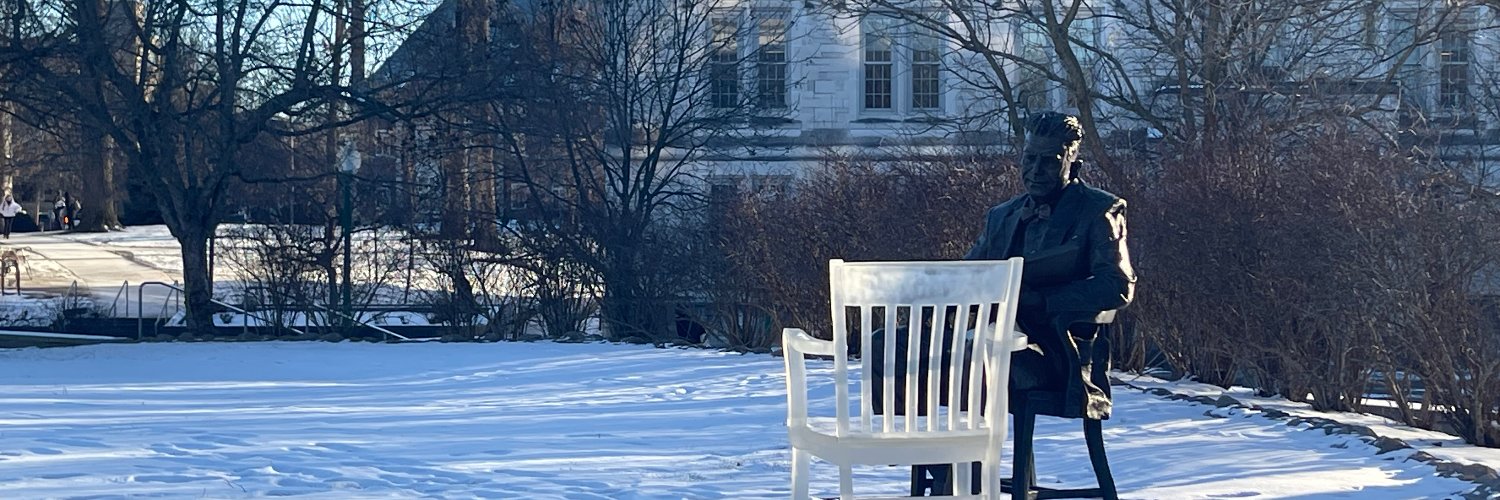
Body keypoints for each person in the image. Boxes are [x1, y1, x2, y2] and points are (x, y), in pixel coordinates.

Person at [871, 112, 1136, 492]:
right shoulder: (1003, 216)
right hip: (990, 343)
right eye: (1030, 158)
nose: (1036, 169)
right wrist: (919, 297)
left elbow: (1118, 286)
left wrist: (1041, 300)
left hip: (1056, 355)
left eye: (1049, 160)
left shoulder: (1099, 209)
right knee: (889, 343)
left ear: (1072, 161)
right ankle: (937, 456)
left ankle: (965, 469)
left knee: (981, 358)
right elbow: (965, 280)